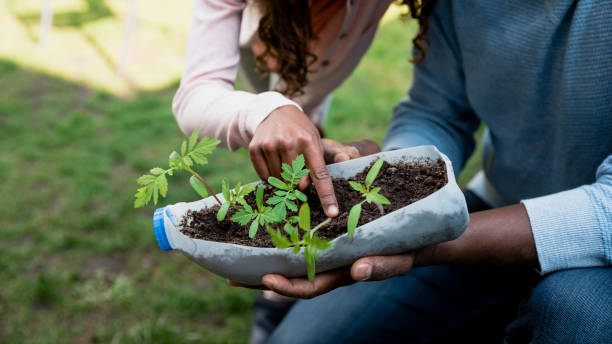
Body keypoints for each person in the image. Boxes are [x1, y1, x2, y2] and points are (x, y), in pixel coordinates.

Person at [231, 0, 612, 343]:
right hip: (498, 203)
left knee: (575, 314)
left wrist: (425, 245)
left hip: (596, 258)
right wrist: (390, 177)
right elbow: (437, 110)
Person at [172, 1, 435, 343]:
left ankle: (287, 276)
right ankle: (275, 297)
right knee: (288, 138)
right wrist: (269, 109)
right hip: (269, 53)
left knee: (309, 143)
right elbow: (196, 93)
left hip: (319, 78)